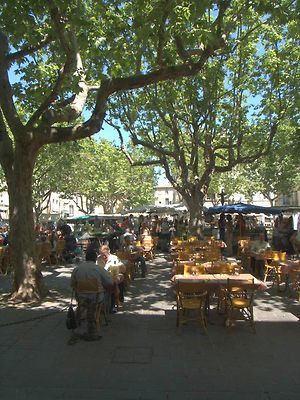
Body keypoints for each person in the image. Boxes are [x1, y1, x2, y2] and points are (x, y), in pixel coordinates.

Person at [70, 249, 113, 342]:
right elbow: (110, 282)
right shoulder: (98, 269)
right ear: (95, 259)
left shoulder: (77, 269)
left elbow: (72, 284)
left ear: (86, 258)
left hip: (81, 299)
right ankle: (107, 314)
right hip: (96, 299)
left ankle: (83, 320)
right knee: (109, 292)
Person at [97, 245, 126, 311]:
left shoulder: (114, 258)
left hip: (112, 278)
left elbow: (124, 269)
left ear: (108, 252)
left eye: (104, 255)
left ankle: (112, 305)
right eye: (101, 254)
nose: (103, 257)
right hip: (102, 279)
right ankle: (111, 303)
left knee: (115, 282)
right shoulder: (98, 258)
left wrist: (118, 269)